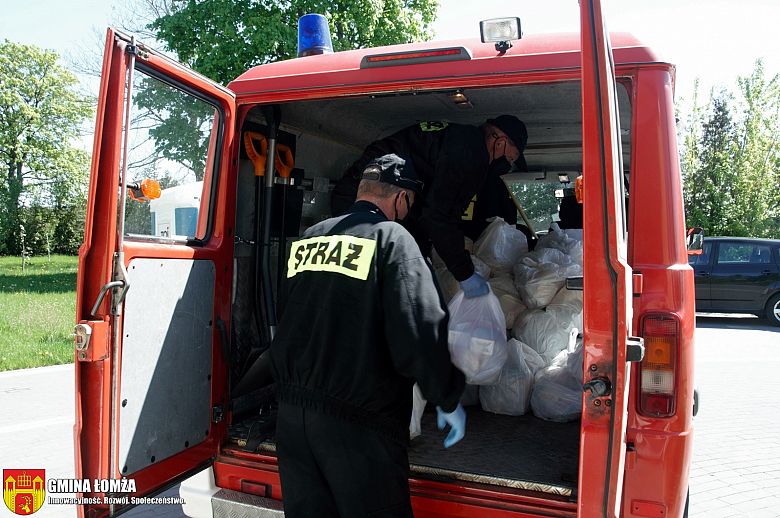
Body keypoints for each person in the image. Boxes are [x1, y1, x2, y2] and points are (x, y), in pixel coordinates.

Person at [271, 154, 467, 518]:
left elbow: (288, 316)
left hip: (293, 418)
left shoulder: (310, 238)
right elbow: (421, 331)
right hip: (358, 427)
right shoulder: (392, 239)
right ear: (401, 198)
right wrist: (447, 396)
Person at [331, 115, 528, 299]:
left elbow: (428, 212)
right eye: (510, 158)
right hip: (367, 198)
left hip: (364, 194)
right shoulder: (471, 153)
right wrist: (465, 273)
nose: (507, 164)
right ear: (500, 141)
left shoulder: (458, 138)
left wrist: (424, 253)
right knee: (370, 281)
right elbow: (440, 216)